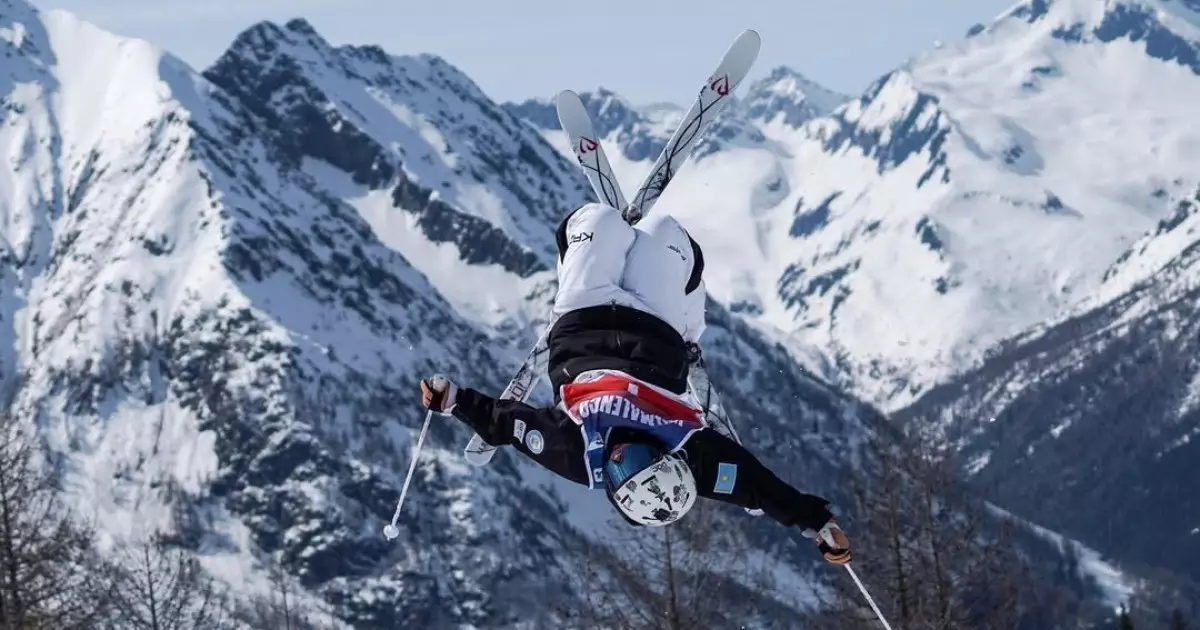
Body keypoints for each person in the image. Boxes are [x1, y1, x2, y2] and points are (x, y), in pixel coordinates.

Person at [419, 202, 851, 565]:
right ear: (665, 457)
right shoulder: (693, 457)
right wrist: (818, 524)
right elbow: (760, 489)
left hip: (582, 316)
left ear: (610, 484)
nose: (621, 455)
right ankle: (686, 318)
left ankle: (599, 245)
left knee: (594, 220)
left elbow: (506, 424)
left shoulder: (576, 455)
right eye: (640, 459)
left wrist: (452, 400)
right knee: (669, 235)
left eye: (620, 471)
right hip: (655, 324)